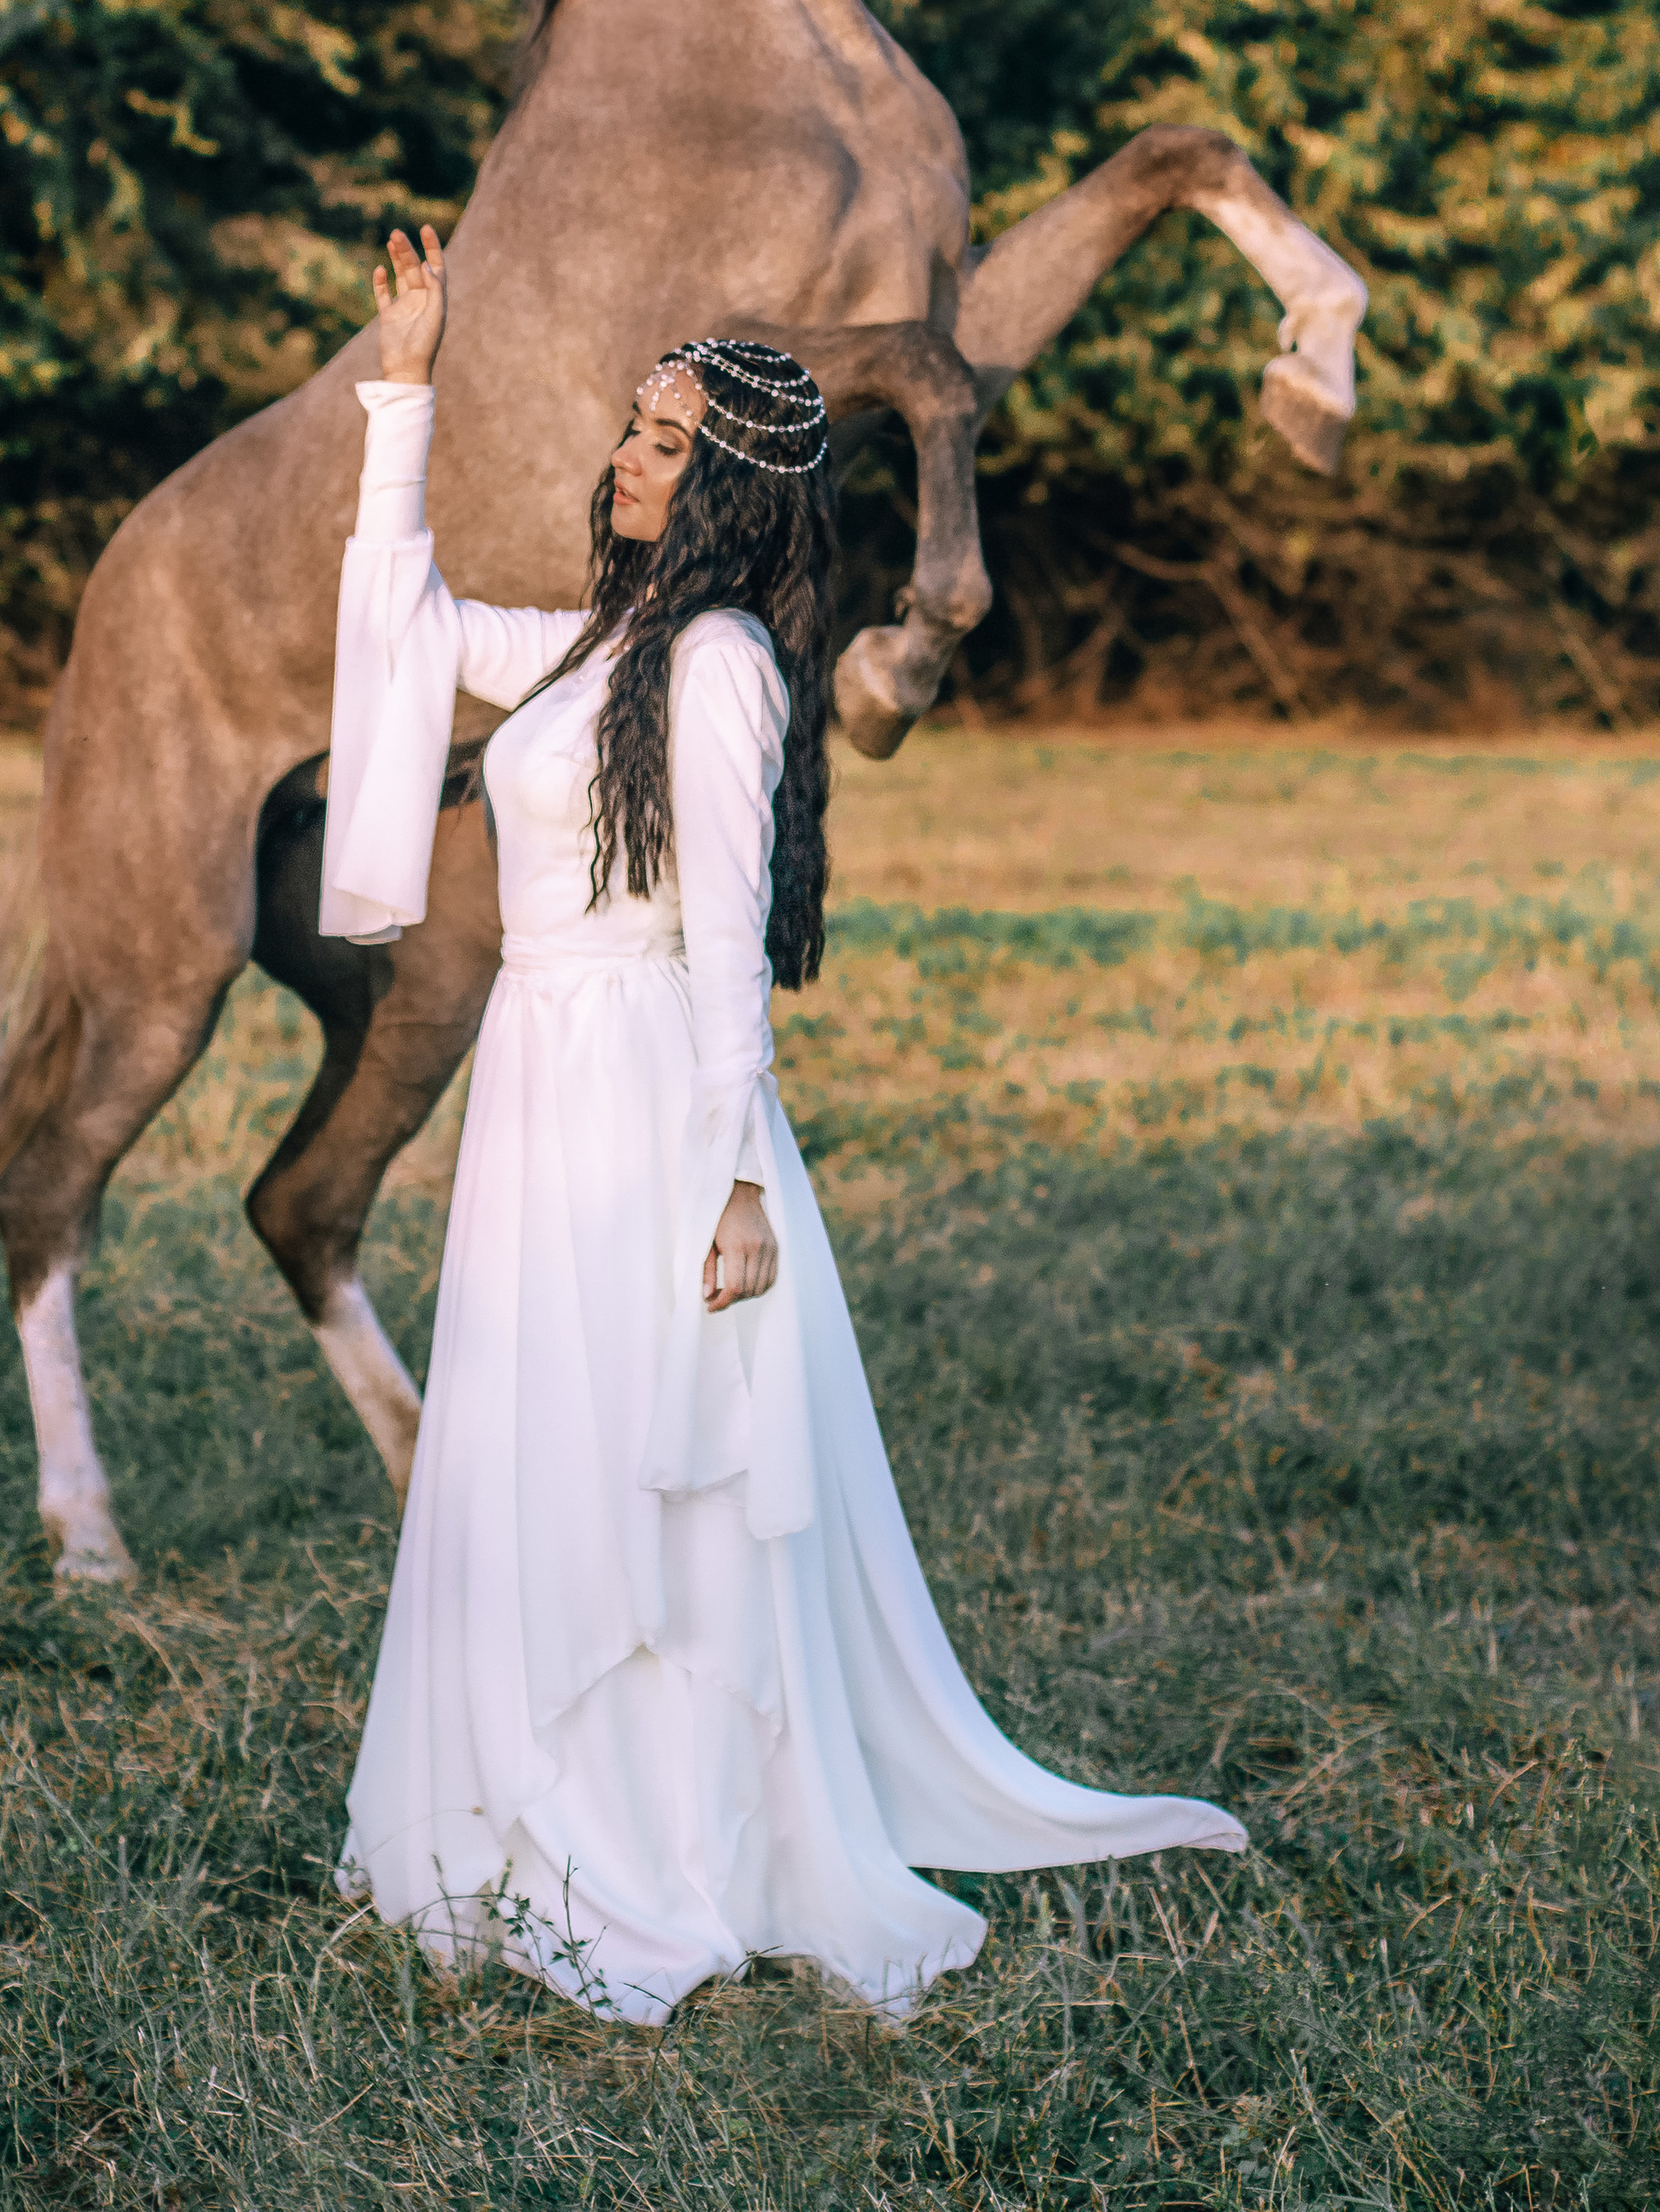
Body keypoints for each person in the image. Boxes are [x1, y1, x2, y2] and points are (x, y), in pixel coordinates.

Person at [325, 224, 1243, 2024]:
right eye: (633, 429)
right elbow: (406, 630)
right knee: (537, 1440)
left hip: (650, 1100)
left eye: (663, 442)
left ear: (732, 486)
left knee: (650, 1470)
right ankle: (522, 1806)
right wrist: (404, 390)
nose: (625, 457)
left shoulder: (724, 662)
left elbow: (726, 935)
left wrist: (739, 1178)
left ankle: (673, 1837)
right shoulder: (601, 642)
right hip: (538, 1074)